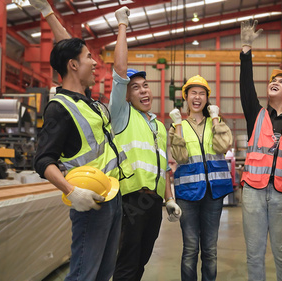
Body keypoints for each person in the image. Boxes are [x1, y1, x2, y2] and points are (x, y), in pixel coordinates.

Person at [32, 11, 133, 281]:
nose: (95, 63)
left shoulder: (87, 101)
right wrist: (71, 191)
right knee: (83, 274)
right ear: (74, 66)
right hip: (89, 202)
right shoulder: (60, 108)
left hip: (112, 195)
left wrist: (48, 13)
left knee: (103, 273)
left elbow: (68, 46)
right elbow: (43, 160)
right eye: (90, 57)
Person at [108, 9, 181, 281]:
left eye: (146, 85)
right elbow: (119, 72)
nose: (144, 90)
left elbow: (163, 166)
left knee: (140, 263)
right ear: (126, 95)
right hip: (129, 199)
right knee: (126, 264)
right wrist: (123, 25)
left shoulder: (158, 126)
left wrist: (169, 199)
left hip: (152, 203)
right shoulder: (122, 115)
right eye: (135, 87)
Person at [239, 19, 282, 281]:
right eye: (273, 80)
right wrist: (246, 48)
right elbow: (246, 86)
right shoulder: (255, 114)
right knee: (254, 253)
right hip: (254, 192)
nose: (275, 82)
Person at [168, 75, 234, 281]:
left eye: (202, 93)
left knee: (210, 250)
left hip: (214, 193)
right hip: (187, 194)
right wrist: (178, 124)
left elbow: (223, 147)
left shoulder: (217, 122)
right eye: (193, 93)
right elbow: (180, 157)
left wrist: (215, 119)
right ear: (186, 97)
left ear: (207, 98)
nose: (197, 97)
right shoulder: (177, 126)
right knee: (189, 249)